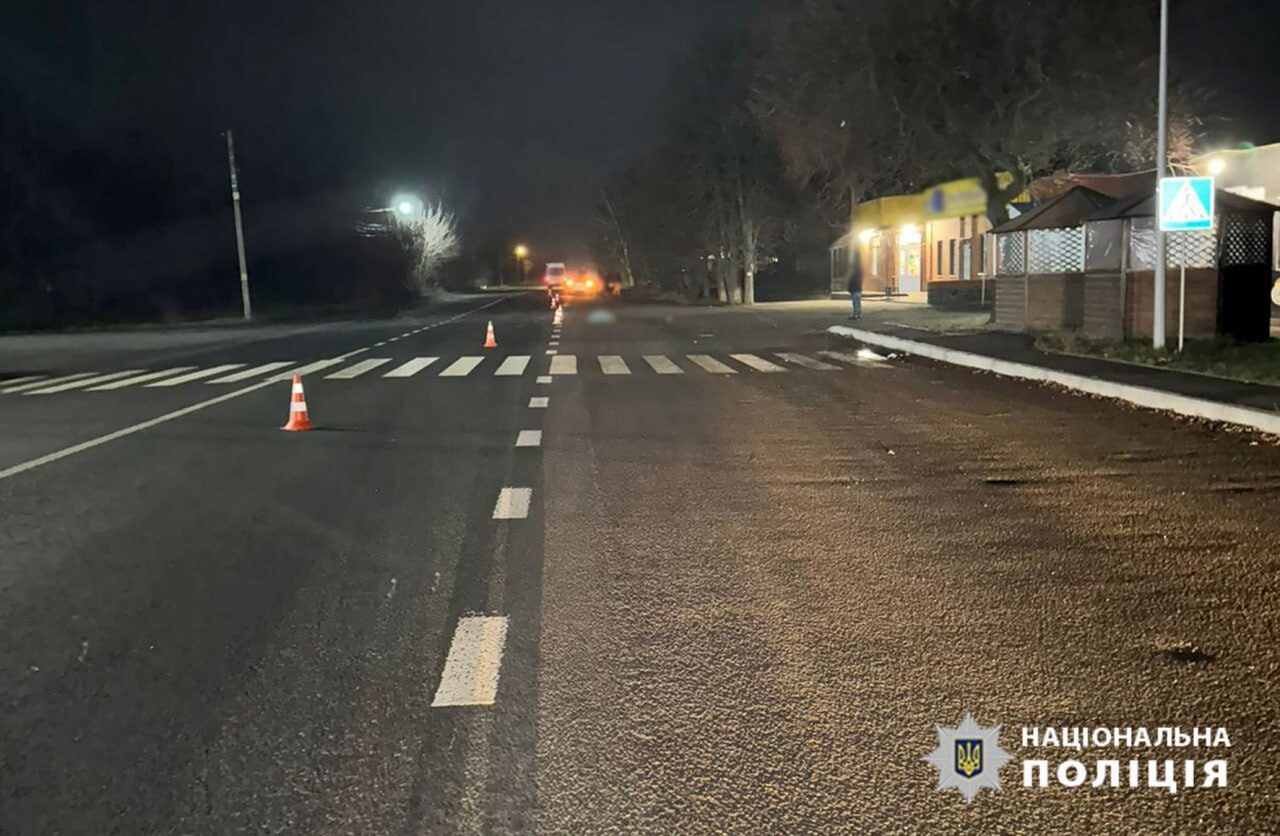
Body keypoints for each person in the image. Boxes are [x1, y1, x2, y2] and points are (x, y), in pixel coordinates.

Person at [847, 247, 864, 320]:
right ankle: (858, 315)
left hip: (855, 291)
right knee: (858, 303)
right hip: (858, 290)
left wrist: (849, 289)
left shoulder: (854, 275)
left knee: (855, 304)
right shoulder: (859, 274)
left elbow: (852, 283)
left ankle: (855, 315)